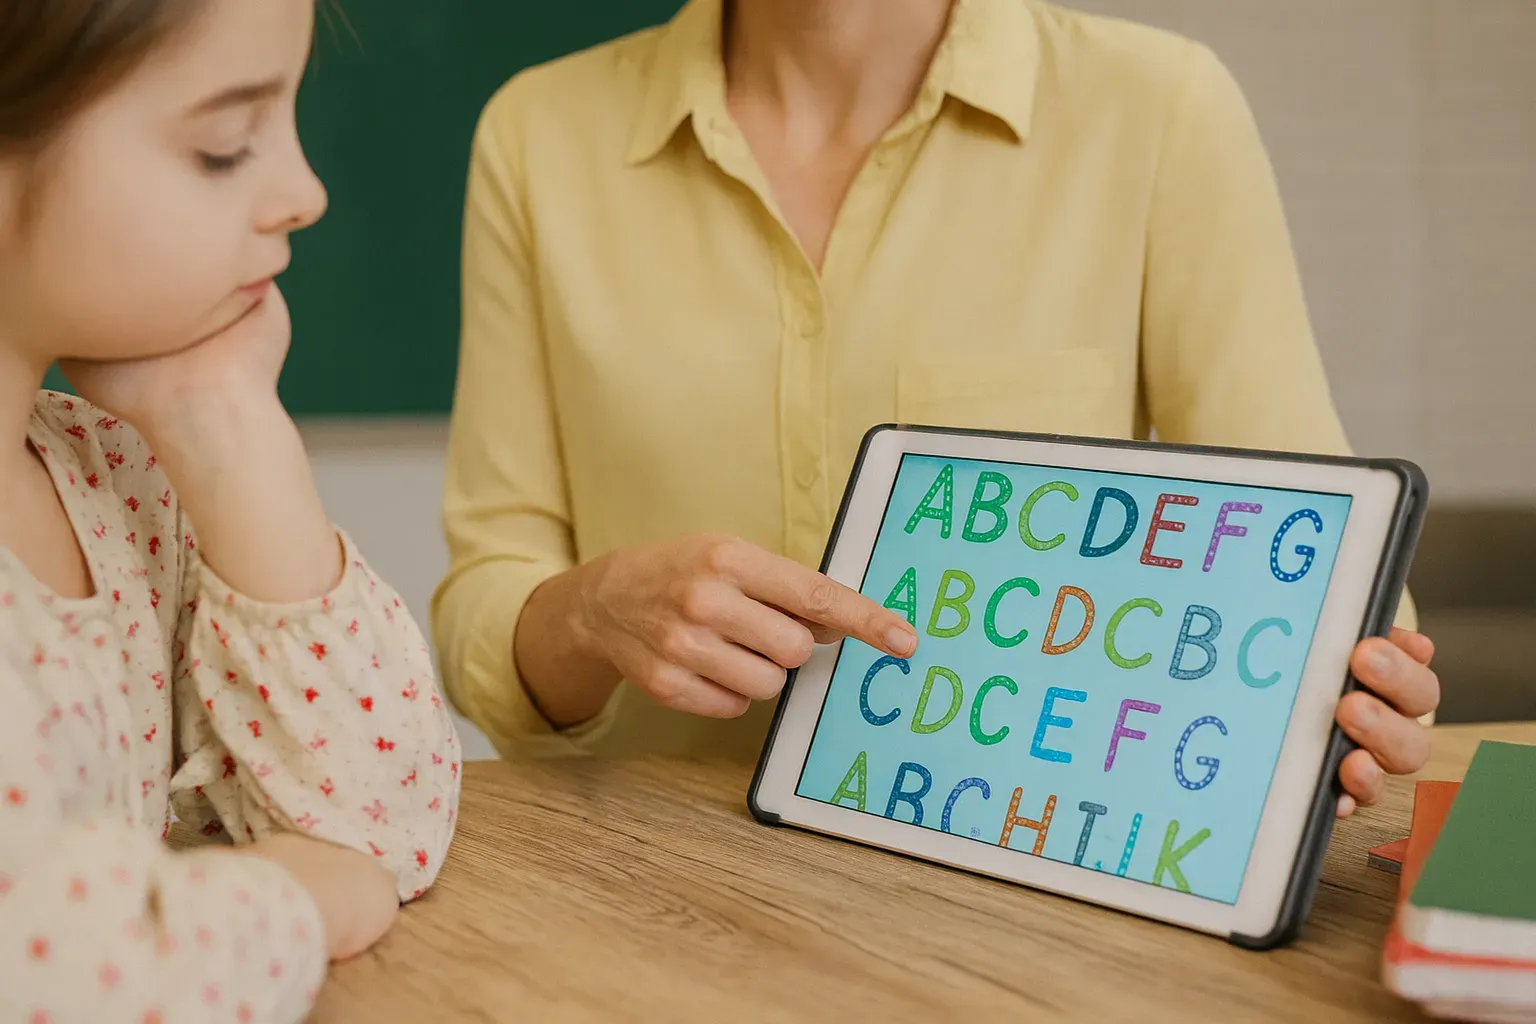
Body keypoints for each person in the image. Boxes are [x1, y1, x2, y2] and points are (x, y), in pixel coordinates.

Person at [434, 0, 1439, 817]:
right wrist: (594, 608)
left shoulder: (1159, 109)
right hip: (640, 881)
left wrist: (1360, 691)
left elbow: (1321, 558)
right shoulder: (538, 135)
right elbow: (486, 605)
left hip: (1030, 891)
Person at [0, 1, 461, 1020]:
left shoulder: (107, 483)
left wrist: (228, 432)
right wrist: (296, 902)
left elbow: (379, 824)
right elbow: (51, 972)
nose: (306, 192)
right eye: (225, 144)